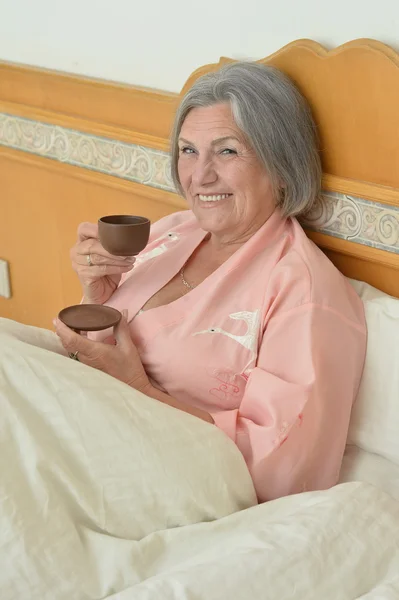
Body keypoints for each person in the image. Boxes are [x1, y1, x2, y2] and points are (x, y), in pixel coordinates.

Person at [54, 62, 367, 503]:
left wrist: (141, 391)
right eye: (187, 150)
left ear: (281, 166)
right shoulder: (172, 232)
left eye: (226, 151)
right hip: (88, 433)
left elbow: (281, 472)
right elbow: (97, 358)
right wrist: (98, 298)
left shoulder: (304, 293)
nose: (199, 176)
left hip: (163, 479)